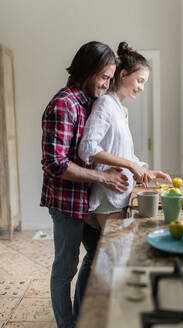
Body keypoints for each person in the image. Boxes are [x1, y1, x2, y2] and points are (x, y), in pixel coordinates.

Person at [40, 41, 131, 328]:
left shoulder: (90, 102)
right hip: (66, 202)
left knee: (95, 252)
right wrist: (103, 177)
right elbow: (55, 163)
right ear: (87, 71)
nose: (106, 84)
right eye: (104, 77)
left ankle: (80, 317)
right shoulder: (63, 105)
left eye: (110, 78)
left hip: (87, 201)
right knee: (65, 268)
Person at [79, 42, 172, 230]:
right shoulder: (105, 103)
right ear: (123, 75)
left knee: (115, 255)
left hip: (122, 195)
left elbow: (122, 152)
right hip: (108, 197)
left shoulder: (122, 110)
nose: (141, 88)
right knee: (115, 257)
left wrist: (145, 172)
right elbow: (87, 148)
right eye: (140, 81)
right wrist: (130, 165)